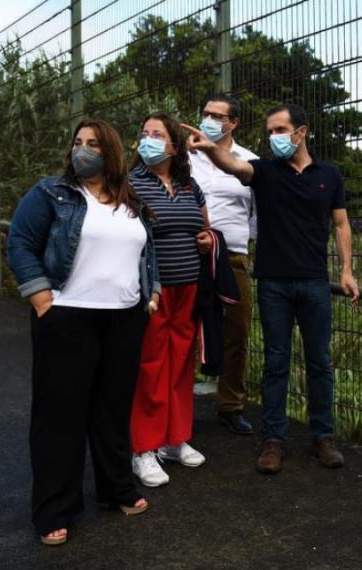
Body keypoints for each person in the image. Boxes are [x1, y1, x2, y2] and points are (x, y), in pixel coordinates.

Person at [183, 103, 360, 475]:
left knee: (320, 363)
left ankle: (323, 437)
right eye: (270, 131)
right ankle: (273, 440)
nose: (274, 138)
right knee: (276, 362)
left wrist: (346, 270)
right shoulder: (263, 171)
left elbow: (341, 224)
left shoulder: (329, 175)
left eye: (280, 130)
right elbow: (234, 166)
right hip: (273, 282)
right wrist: (209, 147)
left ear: (301, 131)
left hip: (314, 281)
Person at [7, 118, 157, 546]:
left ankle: (117, 490)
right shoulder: (50, 193)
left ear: (111, 151)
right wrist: (40, 296)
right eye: (77, 142)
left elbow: (148, 252)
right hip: (67, 316)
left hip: (125, 318)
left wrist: (154, 292)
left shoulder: (131, 201)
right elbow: (20, 241)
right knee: (60, 416)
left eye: (93, 143)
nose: (82, 150)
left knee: (112, 412)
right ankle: (54, 509)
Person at [127, 112, 214, 488]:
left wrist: (209, 239)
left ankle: (175, 439)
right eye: (144, 133)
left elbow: (205, 228)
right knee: (149, 365)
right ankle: (143, 448)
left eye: (157, 134)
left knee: (181, 363)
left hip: (190, 287)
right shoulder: (129, 183)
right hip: (151, 291)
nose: (148, 139)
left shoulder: (190, 186)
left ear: (174, 146)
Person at [189, 94, 257, 435]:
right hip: (187, 252)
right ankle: (175, 402)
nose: (209, 120)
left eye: (217, 116)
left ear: (233, 123)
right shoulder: (185, 158)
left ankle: (230, 405)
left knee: (238, 328)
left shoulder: (250, 161)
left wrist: (246, 247)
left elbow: (258, 213)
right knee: (185, 325)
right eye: (205, 113)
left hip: (231, 253)